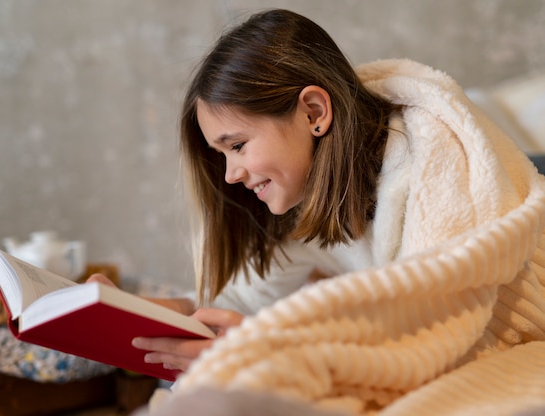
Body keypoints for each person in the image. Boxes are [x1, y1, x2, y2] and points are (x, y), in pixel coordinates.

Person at [93, 8, 545, 415]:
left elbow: (441, 324)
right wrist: (144, 313)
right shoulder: (301, 192)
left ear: (314, 112)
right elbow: (242, 303)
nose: (230, 174)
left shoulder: (431, 158)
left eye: (237, 146)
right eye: (221, 154)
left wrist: (264, 349)